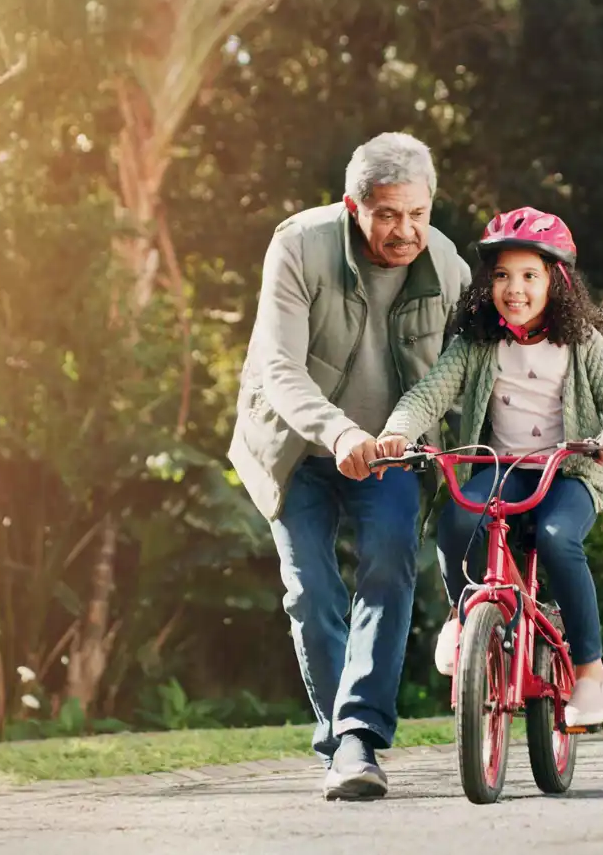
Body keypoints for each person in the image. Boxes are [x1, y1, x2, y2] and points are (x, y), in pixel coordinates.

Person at [227, 132, 471, 800]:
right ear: (352, 206)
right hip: (296, 446)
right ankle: (343, 742)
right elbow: (279, 367)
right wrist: (338, 433)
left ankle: (357, 736)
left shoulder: (447, 266)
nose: (405, 231)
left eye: (417, 213)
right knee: (311, 593)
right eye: (387, 214)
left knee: (389, 571)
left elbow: (465, 371)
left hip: (390, 451)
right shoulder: (299, 246)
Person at [376, 205, 603, 727]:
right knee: (458, 520)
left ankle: (591, 673)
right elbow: (428, 395)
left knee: (556, 537)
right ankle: (464, 616)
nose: (514, 289)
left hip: (570, 472)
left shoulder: (582, 343)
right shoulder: (477, 342)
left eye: (529, 276)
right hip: (504, 467)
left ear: (556, 281)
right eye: (502, 275)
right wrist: (397, 431)